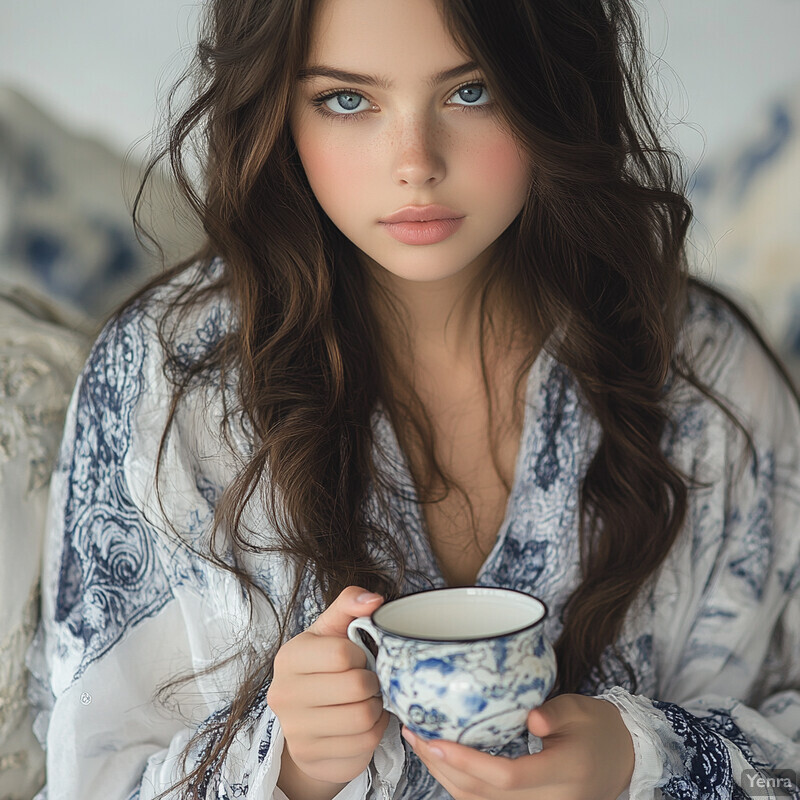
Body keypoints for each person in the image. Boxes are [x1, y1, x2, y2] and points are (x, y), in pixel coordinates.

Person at [26, 0, 800, 798]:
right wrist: (285, 766)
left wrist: (645, 761)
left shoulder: (708, 379)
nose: (414, 162)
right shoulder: (166, 384)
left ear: (554, 88)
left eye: (471, 92)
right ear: (276, 108)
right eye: (347, 99)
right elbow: (88, 776)